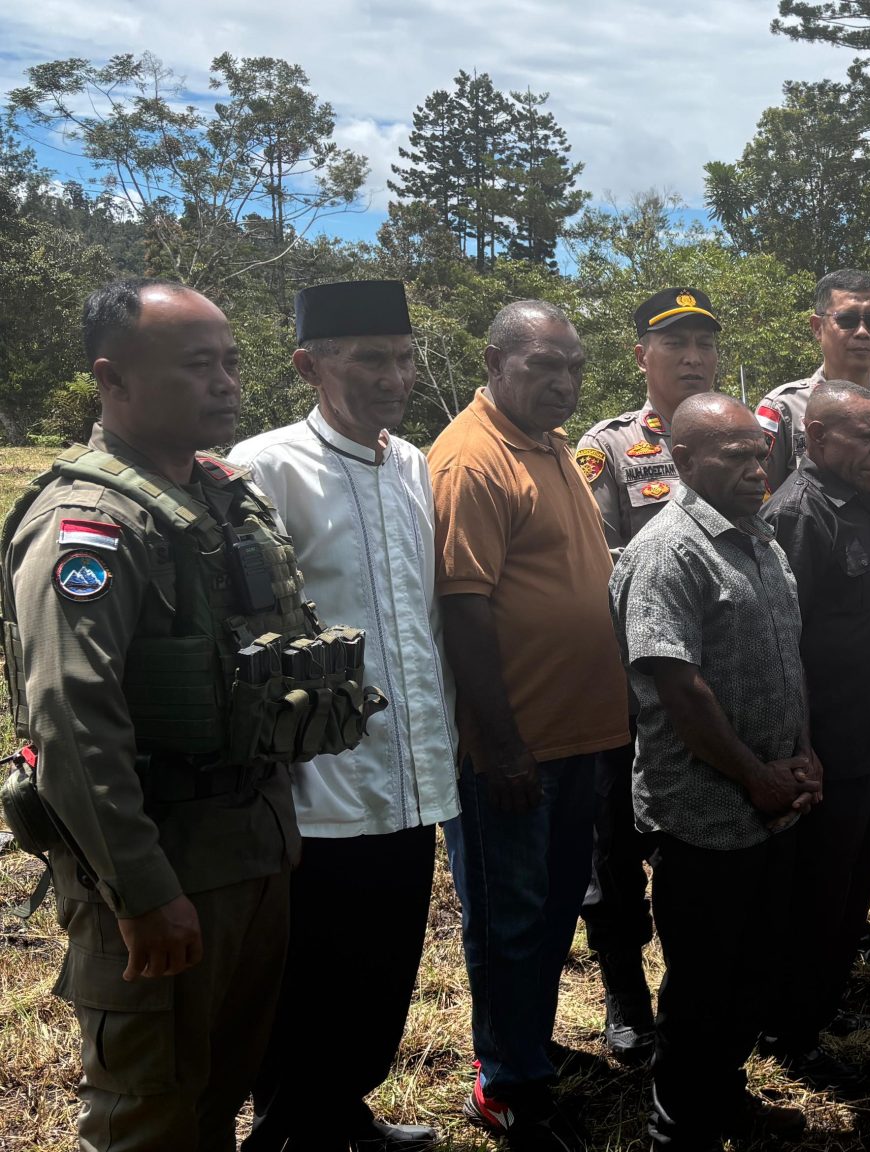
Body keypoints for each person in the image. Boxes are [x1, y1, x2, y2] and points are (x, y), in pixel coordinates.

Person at [3, 278, 378, 1150]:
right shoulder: (88, 523)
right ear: (113, 379)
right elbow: (69, 720)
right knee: (151, 1110)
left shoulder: (221, 496)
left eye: (231, 362)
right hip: (160, 863)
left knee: (220, 1087)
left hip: (252, 845)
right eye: (196, 365)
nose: (226, 383)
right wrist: (141, 892)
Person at [230, 280, 456, 1151]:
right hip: (314, 780)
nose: (393, 376)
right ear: (308, 365)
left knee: (383, 964)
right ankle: (290, 1130)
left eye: (403, 358)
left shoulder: (413, 463)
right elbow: (248, 635)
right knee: (309, 975)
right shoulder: (266, 467)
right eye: (369, 358)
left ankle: (342, 1114)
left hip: (407, 767)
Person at [430, 300, 631, 1150]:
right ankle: (506, 1087)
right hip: (514, 751)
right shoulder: (472, 460)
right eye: (544, 366)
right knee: (508, 921)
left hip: (578, 735)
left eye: (574, 367)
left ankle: (526, 1048)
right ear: (493, 361)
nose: (564, 382)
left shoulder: (551, 448)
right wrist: (501, 742)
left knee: (550, 912)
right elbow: (463, 611)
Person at [610, 391, 814, 1150]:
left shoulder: (761, 541)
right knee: (700, 987)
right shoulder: (667, 553)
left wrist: (806, 752)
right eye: (734, 456)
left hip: (773, 805)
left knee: (752, 973)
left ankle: (723, 1094)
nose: (756, 466)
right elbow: (680, 693)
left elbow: (790, 658)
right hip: (703, 813)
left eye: (760, 453)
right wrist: (756, 776)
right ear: (686, 460)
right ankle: (680, 1128)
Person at [756, 269, 870, 968]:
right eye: (848, 319)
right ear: (818, 327)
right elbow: (766, 518)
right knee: (824, 789)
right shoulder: (782, 408)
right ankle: (804, 938)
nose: (863, 332)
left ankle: (846, 922)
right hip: (816, 629)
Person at [572, 286, 722, 1063]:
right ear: (642, 356)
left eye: (704, 343)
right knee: (617, 849)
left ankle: (702, 993)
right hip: (633, 693)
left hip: (718, 690)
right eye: (675, 344)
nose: (693, 357)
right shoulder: (608, 448)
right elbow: (597, 567)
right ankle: (626, 999)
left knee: (703, 848)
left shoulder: (740, 434)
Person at [761, 381, 870, 1086]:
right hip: (831, 747)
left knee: (853, 889)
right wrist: (801, 745)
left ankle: (820, 1006)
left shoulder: (861, 504)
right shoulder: (799, 514)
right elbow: (781, 641)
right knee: (817, 894)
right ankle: (788, 1034)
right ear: (816, 439)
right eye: (865, 438)